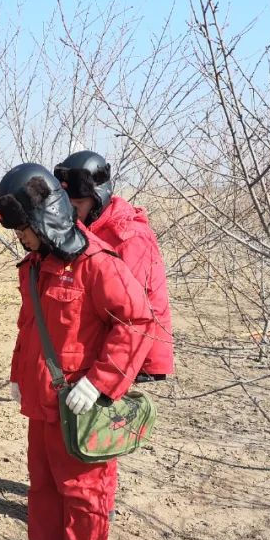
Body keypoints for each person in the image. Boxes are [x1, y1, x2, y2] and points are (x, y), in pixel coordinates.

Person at [0, 164, 154, 540]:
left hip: (82, 408)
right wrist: (19, 376)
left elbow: (137, 322)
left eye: (23, 228)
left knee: (85, 497)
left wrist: (100, 382)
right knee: (43, 488)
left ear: (45, 220)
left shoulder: (97, 263)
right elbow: (30, 329)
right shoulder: (34, 265)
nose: (20, 238)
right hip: (43, 404)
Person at [53, 150, 173, 381]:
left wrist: (110, 371)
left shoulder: (128, 237)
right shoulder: (91, 229)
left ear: (99, 198)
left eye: (79, 203)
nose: (72, 211)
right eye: (68, 203)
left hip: (136, 354)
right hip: (108, 346)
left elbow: (134, 310)